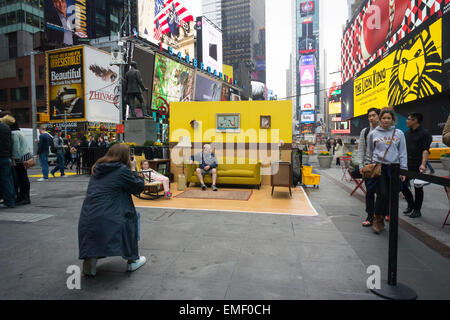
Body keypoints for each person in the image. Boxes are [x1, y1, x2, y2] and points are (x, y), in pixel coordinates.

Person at [78, 144, 146, 276]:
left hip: (88, 214)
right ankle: (132, 259)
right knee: (133, 217)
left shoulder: (97, 168)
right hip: (111, 216)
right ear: (125, 157)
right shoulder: (121, 170)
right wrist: (133, 169)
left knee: (98, 227)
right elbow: (139, 187)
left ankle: (91, 259)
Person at [367, 107, 408, 234]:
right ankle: (377, 218)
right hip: (379, 168)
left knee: (392, 196)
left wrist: (403, 170)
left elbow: (403, 153)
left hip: (394, 168)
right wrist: (369, 167)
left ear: (392, 119)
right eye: (384, 118)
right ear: (380, 119)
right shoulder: (373, 133)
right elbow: (370, 152)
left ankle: (388, 218)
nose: (386, 120)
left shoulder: (399, 133)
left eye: (388, 118)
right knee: (382, 194)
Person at [401, 113, 432, 219]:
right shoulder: (406, 133)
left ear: (415, 121)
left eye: (408, 119)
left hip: (418, 165)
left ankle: (417, 210)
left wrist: (423, 164)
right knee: (403, 185)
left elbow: (425, 150)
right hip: (406, 165)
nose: (406, 121)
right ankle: (411, 204)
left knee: (418, 187)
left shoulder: (425, 134)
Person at [358, 108, 381, 227]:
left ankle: (381, 214)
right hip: (369, 167)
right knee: (370, 193)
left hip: (382, 167)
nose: (371, 118)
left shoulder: (385, 131)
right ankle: (370, 216)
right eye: (369, 116)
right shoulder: (365, 131)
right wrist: (361, 166)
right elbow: (361, 149)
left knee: (382, 193)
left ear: (379, 116)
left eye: (374, 115)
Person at [9, 118, 32, 205]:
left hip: (19, 159)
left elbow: (16, 148)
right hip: (25, 157)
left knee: (21, 178)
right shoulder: (20, 132)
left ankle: (24, 197)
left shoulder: (14, 133)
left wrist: (14, 158)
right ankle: (25, 197)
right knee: (24, 177)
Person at [0, 113, 15, 208]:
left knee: (5, 180)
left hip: (1, 156)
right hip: (6, 157)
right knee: (8, 180)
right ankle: (10, 200)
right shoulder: (6, 128)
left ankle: (9, 201)